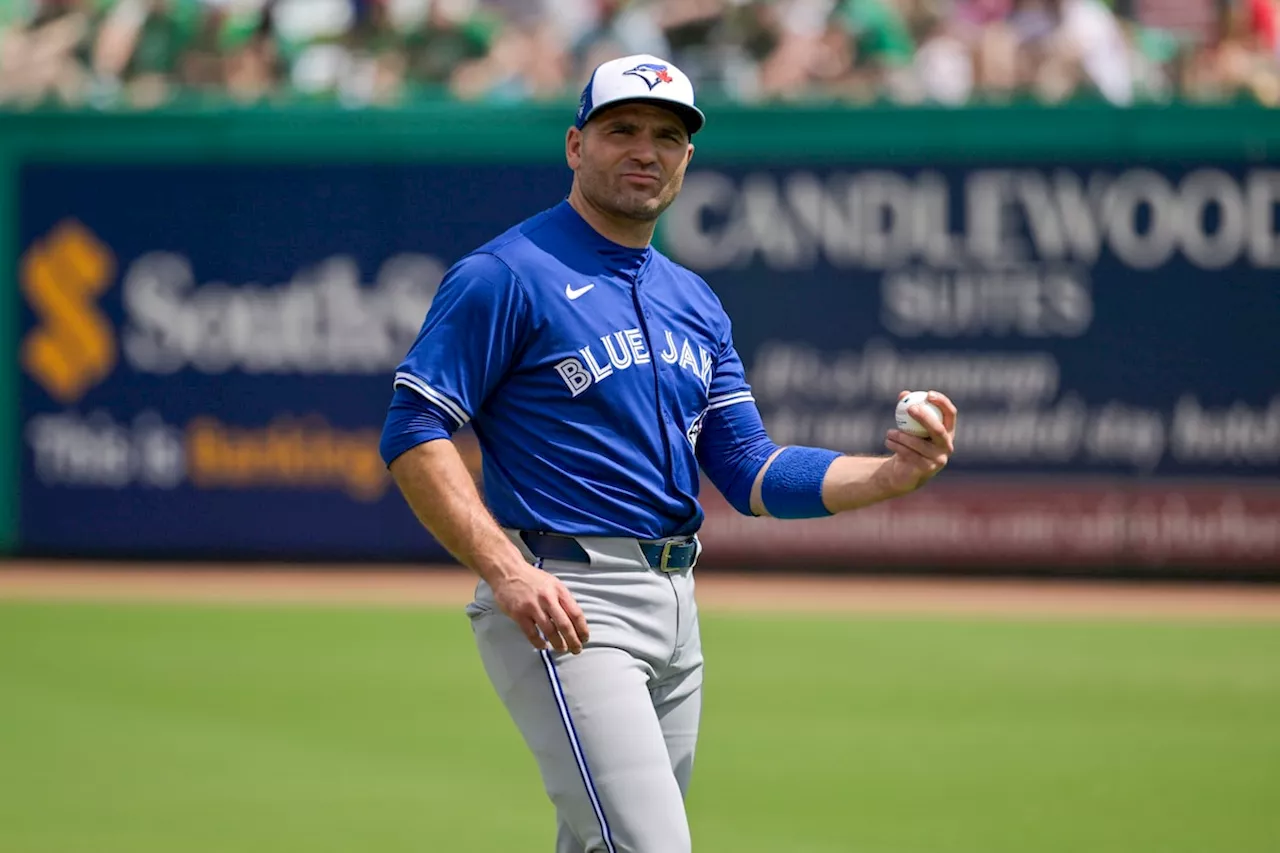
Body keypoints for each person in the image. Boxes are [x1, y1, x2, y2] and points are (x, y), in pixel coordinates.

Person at [378, 52, 958, 853]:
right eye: (621, 130)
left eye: (667, 135)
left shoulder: (694, 300)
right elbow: (414, 430)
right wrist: (506, 571)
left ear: (688, 158)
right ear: (575, 145)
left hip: (676, 607)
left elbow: (752, 470)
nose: (645, 150)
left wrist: (891, 474)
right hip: (567, 596)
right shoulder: (505, 274)